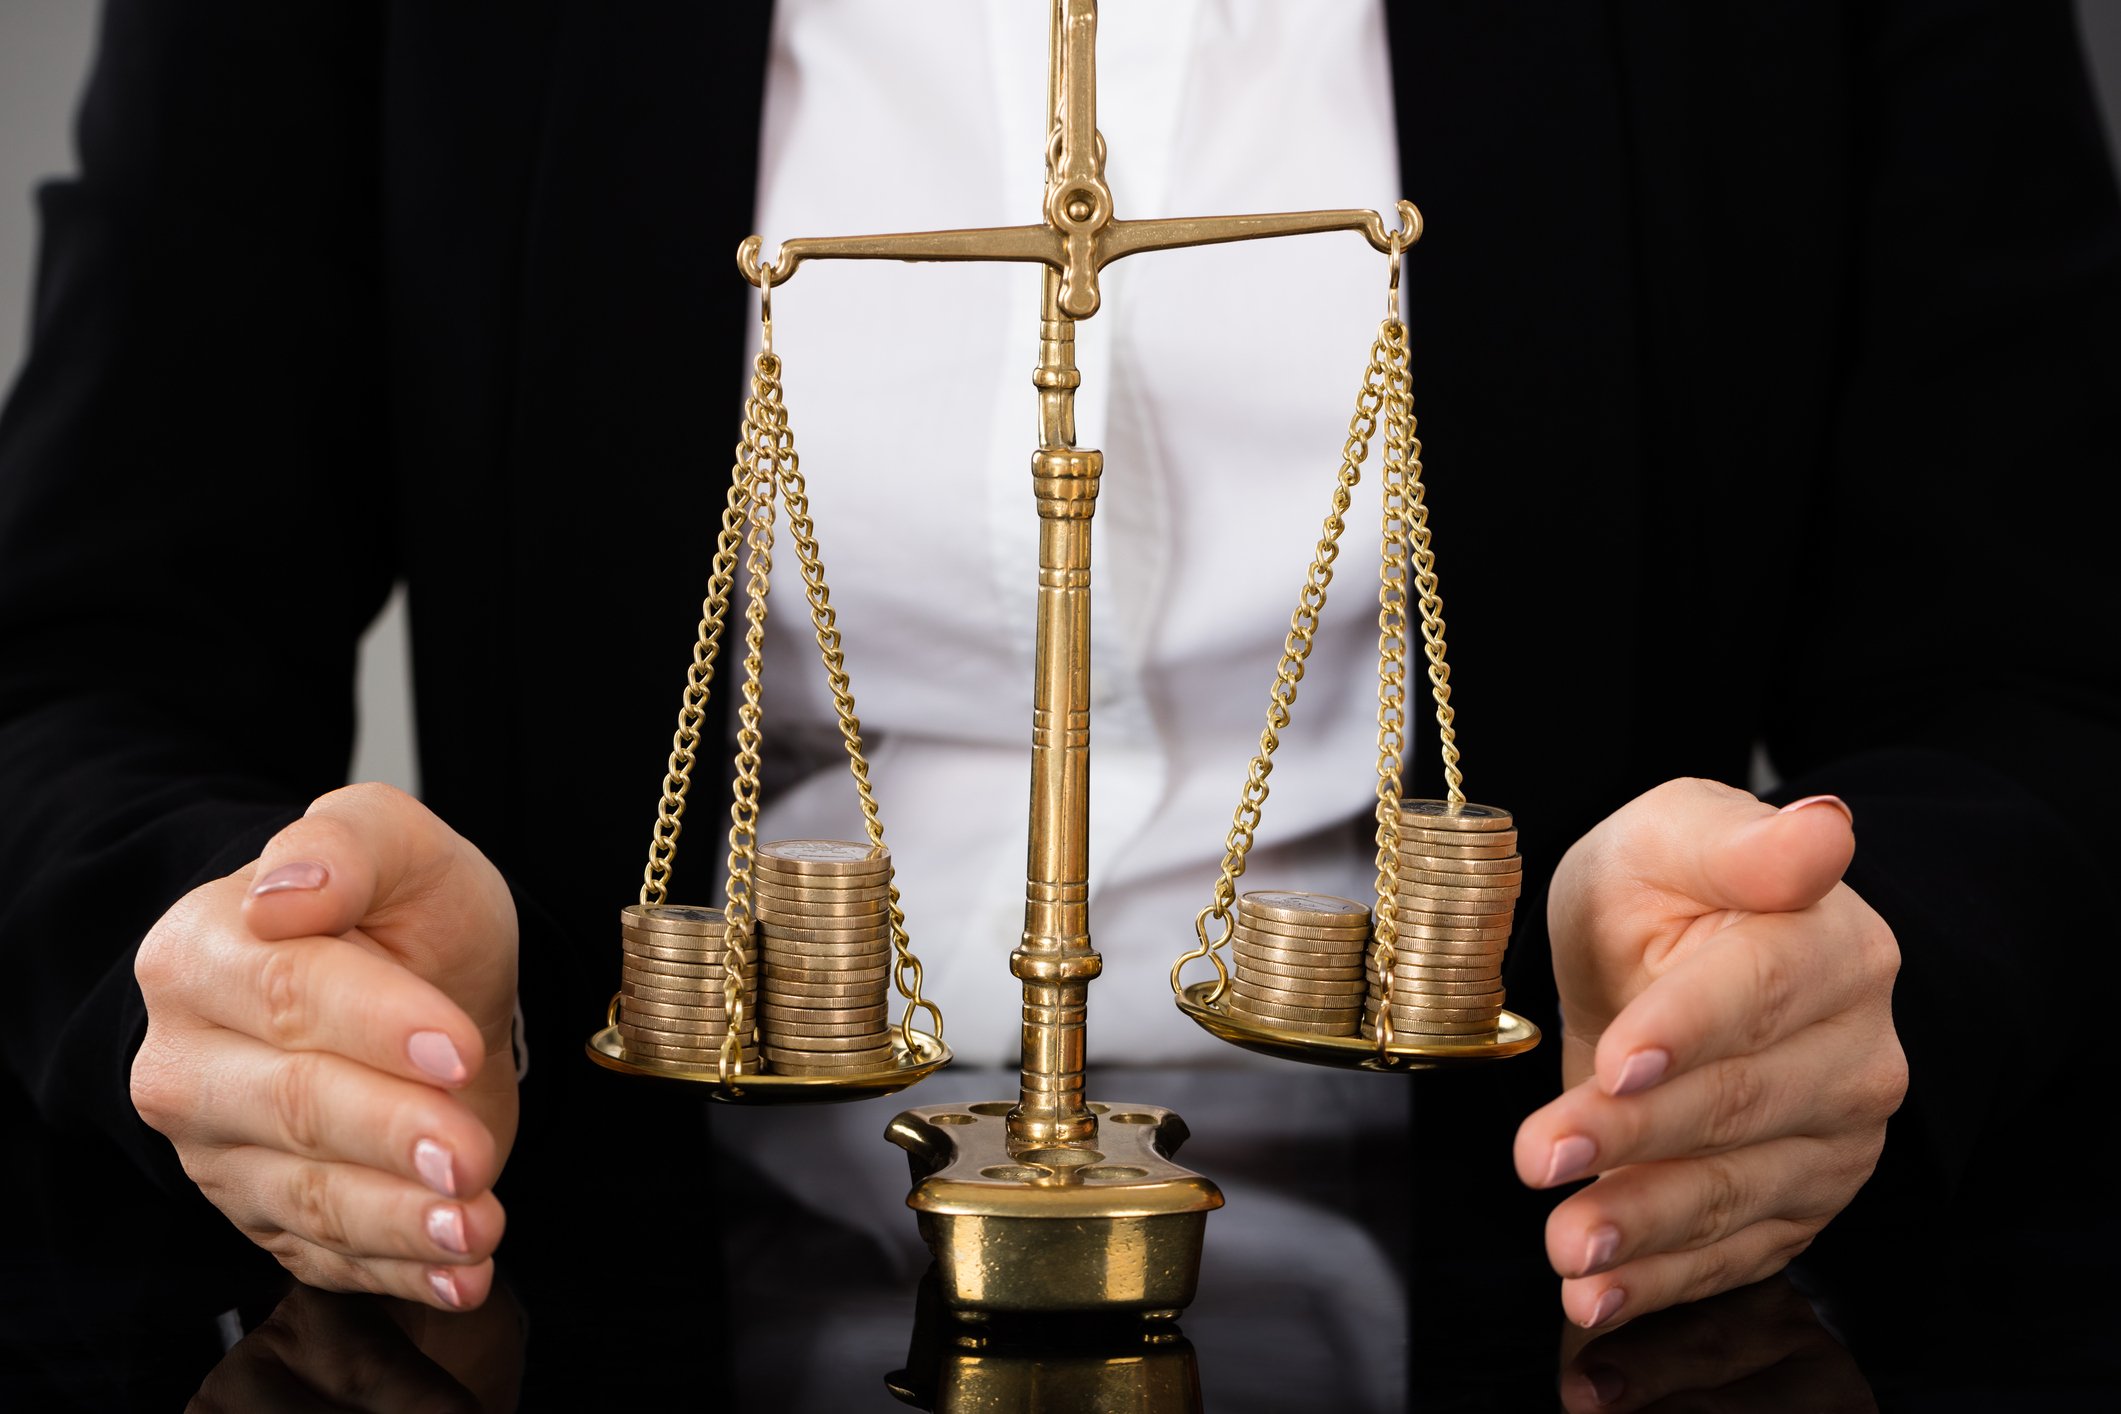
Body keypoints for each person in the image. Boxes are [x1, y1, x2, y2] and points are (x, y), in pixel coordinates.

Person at [1, 0, 2112, 1333]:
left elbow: (2037, 673)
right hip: (611, 1293)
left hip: (1567, 1285)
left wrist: (1846, 956)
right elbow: (79, 669)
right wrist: (263, 977)